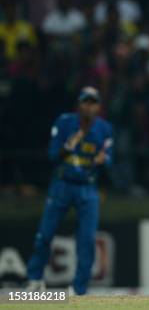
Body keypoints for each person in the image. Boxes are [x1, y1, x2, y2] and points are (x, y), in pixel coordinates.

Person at [26, 87, 113, 295]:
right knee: (44, 235)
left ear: (98, 106)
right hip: (62, 184)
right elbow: (52, 155)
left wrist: (104, 160)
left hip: (87, 188)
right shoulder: (64, 122)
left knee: (87, 240)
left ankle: (79, 289)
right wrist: (68, 146)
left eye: (93, 102)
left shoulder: (104, 128)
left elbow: (110, 160)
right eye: (85, 102)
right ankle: (35, 280)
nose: (89, 106)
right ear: (79, 104)